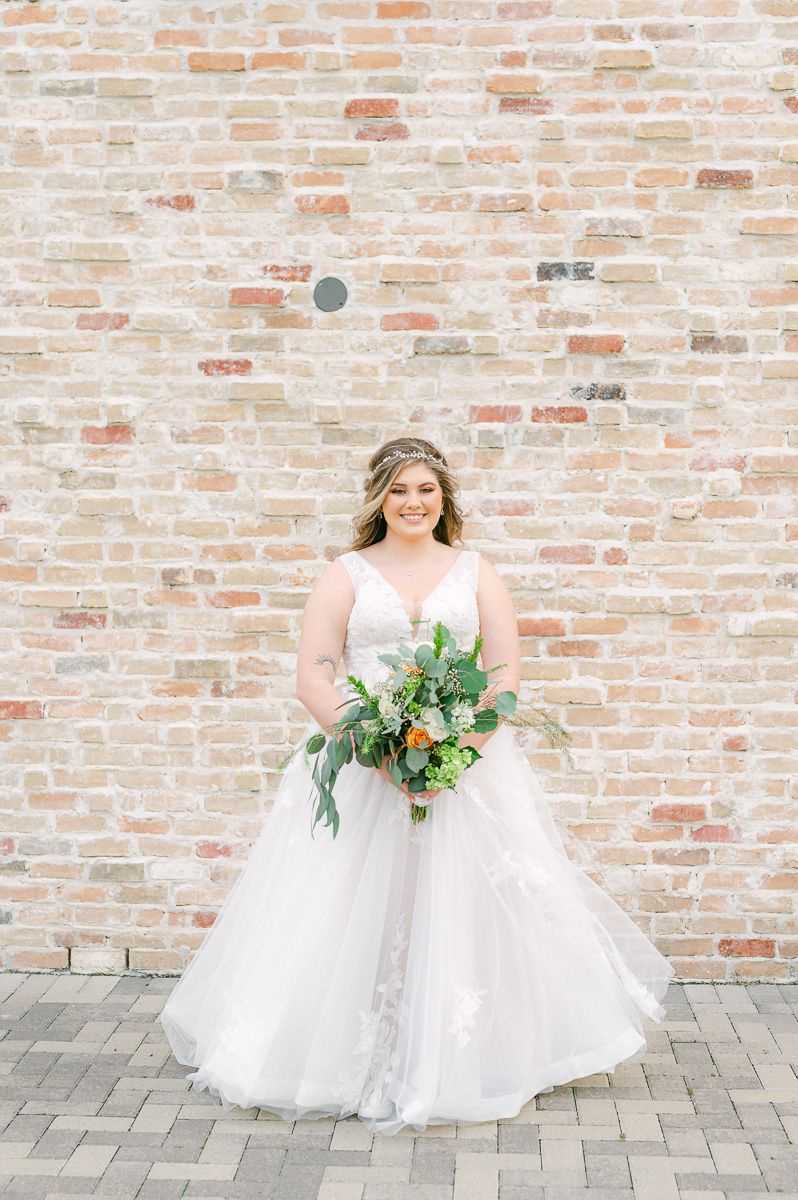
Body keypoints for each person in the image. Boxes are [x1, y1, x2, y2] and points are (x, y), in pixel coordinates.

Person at [160, 435, 674, 1136]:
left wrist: (453, 754)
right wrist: (379, 751)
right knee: (354, 906)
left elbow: (503, 677)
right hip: (364, 764)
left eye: (425, 490)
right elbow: (315, 674)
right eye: (399, 491)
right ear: (379, 498)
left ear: (444, 498)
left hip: (464, 770)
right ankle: (348, 1052)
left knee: (465, 906)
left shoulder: (475, 571)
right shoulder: (345, 574)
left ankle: (466, 1055)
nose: (413, 503)